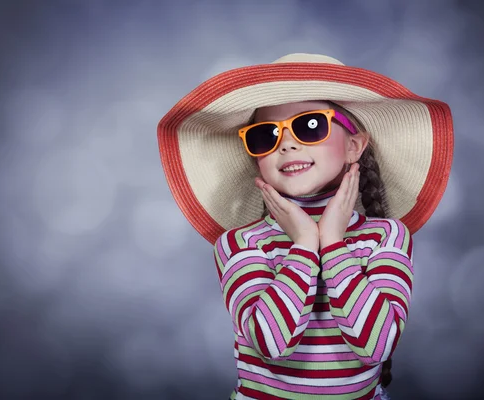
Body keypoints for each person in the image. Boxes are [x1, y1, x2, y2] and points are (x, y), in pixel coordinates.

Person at [157, 53, 453, 400]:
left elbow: (376, 345)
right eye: (266, 135)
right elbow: (271, 343)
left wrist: (331, 242)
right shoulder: (238, 244)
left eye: (310, 125)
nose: (287, 143)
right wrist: (303, 245)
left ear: (354, 146)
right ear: (256, 155)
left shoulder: (388, 237)